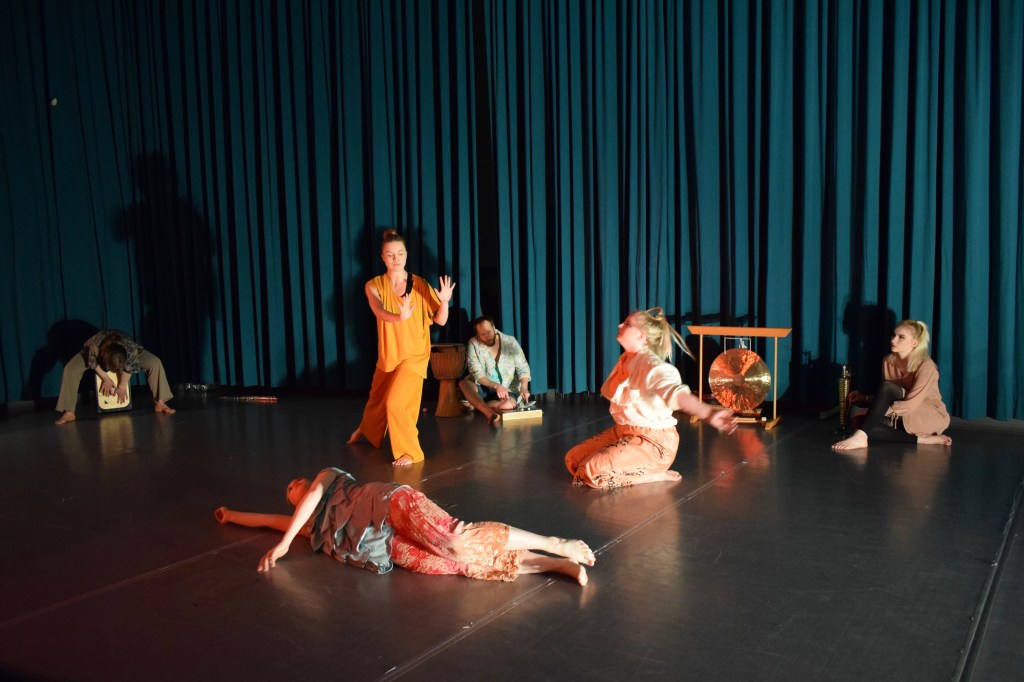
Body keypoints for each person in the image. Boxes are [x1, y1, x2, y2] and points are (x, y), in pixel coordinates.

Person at [214, 467, 595, 585]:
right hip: (382, 544)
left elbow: (313, 494)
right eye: (289, 490)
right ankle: (550, 565)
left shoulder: (327, 478)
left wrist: (283, 546)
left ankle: (554, 542)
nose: (295, 484)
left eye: (296, 481)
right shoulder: (313, 528)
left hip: (390, 504)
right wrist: (231, 515)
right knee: (452, 564)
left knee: (455, 539)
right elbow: (267, 521)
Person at [565, 307, 738, 488]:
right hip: (623, 432)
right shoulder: (626, 359)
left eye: (627, 324)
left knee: (591, 471)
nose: (620, 325)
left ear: (641, 336)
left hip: (654, 444)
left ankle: (653, 475)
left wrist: (708, 414)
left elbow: (677, 394)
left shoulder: (651, 364)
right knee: (573, 459)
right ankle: (632, 468)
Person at [348, 229, 456, 466]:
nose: (395, 259)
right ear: (382, 257)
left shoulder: (420, 284)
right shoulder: (373, 285)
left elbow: (440, 320)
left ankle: (410, 452)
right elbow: (379, 311)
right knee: (377, 399)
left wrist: (445, 302)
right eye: (390, 254)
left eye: (400, 253)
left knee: (396, 403)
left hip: (415, 355)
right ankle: (367, 429)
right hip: (389, 354)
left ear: (407, 255)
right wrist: (399, 316)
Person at [832, 320, 952, 451]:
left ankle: (861, 437)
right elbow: (886, 397)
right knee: (859, 422)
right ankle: (924, 440)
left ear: (915, 343)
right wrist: (865, 398)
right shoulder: (888, 361)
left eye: (901, 337)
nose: (893, 340)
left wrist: (877, 412)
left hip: (927, 413)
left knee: (880, 400)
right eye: (893, 335)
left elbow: (911, 403)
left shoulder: (926, 367)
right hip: (902, 412)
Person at [54, 329, 175, 425]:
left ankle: (160, 403)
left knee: (154, 362)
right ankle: (69, 412)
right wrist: (106, 378)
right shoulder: (94, 345)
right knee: (70, 369)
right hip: (95, 354)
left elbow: (130, 368)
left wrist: (121, 386)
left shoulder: (130, 348)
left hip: (125, 353)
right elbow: (92, 363)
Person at [458, 315, 532, 423]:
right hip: (484, 387)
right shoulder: (473, 343)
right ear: (478, 334)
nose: (487, 337)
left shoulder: (510, 341)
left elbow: (523, 367)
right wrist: (496, 386)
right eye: (482, 334)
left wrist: (524, 388)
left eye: (489, 332)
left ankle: (476, 405)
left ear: (494, 327)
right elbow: (477, 373)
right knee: (464, 384)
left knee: (507, 405)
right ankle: (488, 412)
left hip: (507, 389)